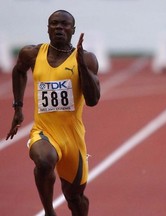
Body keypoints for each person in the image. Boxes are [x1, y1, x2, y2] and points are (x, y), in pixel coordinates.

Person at [6, 10, 100, 216]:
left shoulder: (86, 59)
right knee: (44, 160)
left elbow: (93, 100)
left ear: (73, 30)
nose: (59, 27)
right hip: (44, 131)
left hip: (73, 138)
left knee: (75, 199)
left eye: (65, 24)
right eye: (54, 23)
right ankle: (49, 212)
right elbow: (18, 70)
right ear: (47, 28)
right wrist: (18, 108)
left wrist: (82, 66)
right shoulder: (32, 54)